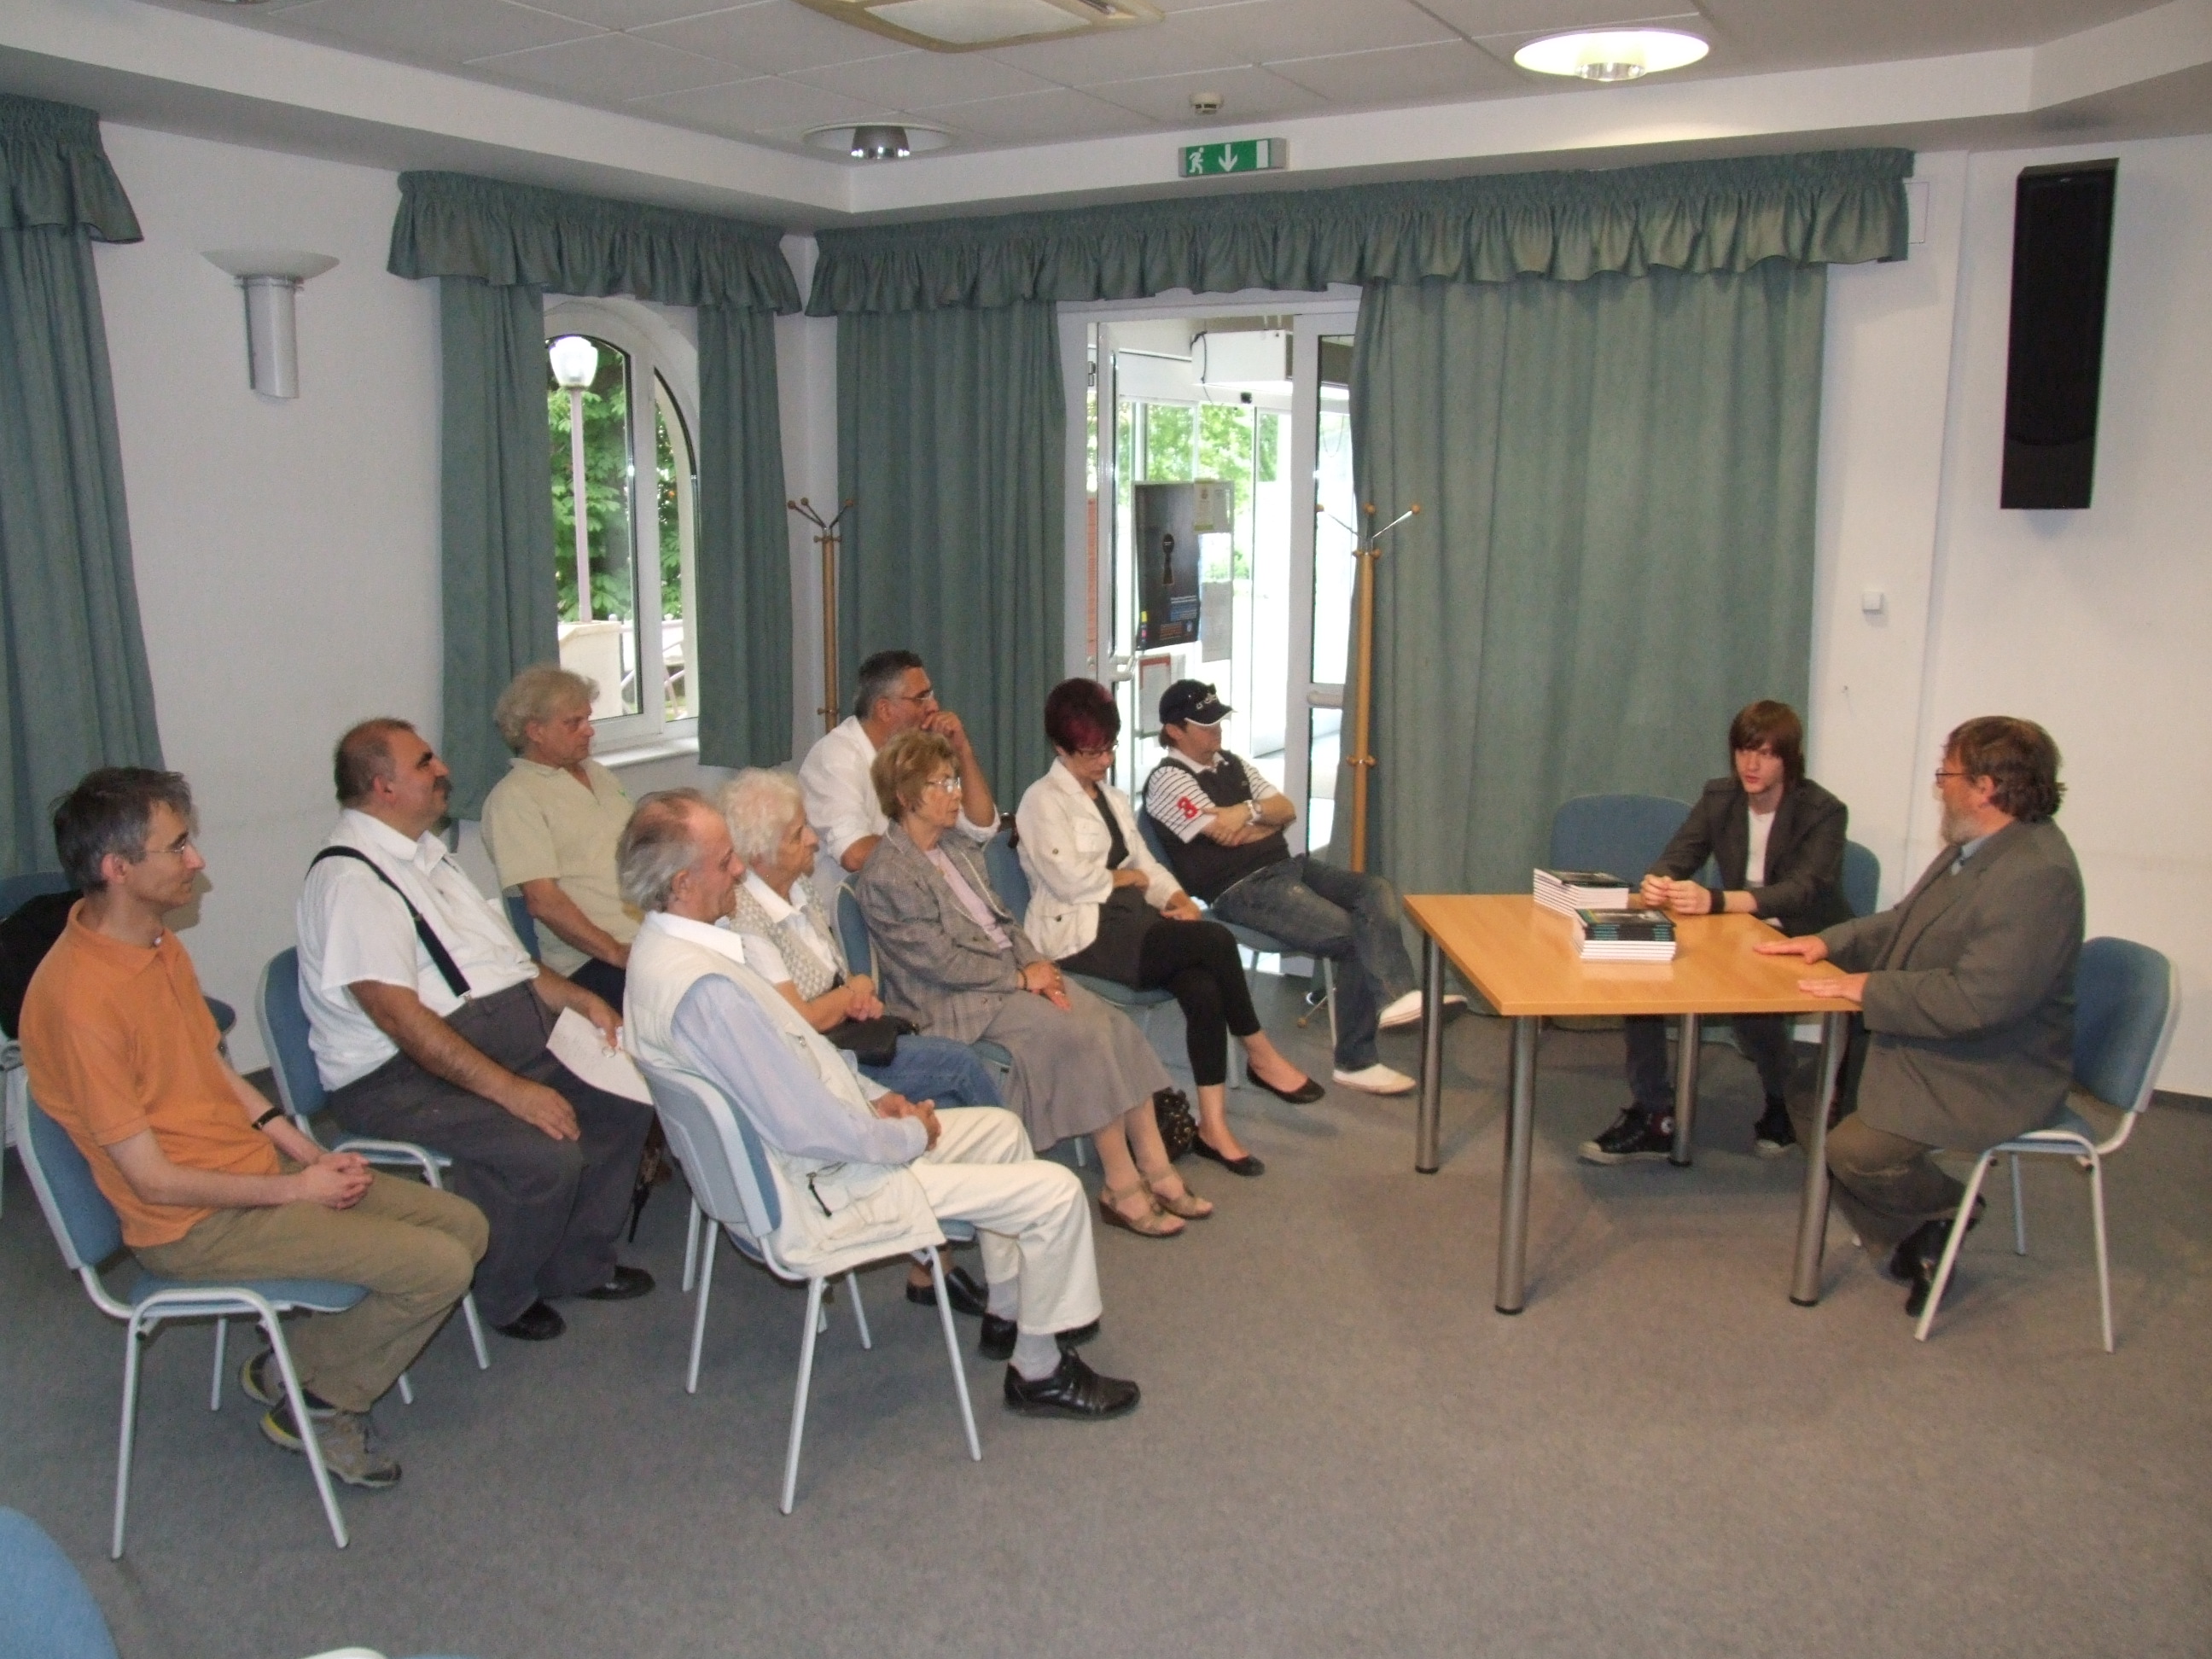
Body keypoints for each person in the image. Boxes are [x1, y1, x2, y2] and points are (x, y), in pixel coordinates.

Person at [21, 768, 486, 1489]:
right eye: (177, 847)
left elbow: (212, 1070)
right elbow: (153, 1181)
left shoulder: (153, 942)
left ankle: (290, 1363)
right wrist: (300, 1190)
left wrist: (305, 1151)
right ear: (118, 868)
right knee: (438, 1267)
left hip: (253, 1173)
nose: (197, 860)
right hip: (191, 1224)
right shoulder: (80, 1002)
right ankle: (320, 1404)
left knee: (465, 1226)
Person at [618, 790, 1139, 1419]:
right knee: (1055, 1194)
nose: (738, 870)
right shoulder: (709, 992)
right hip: (825, 1189)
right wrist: (909, 1136)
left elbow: (799, 1068)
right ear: (681, 884)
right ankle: (1040, 1370)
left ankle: (1005, 1311)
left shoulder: (663, 957)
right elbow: (805, 1128)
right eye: (726, 860)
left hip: (815, 1159)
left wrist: (878, 1097)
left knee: (1002, 1131)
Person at [297, 719, 655, 1343]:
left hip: (492, 1035)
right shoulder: (354, 883)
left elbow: (509, 965)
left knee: (624, 1096)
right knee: (544, 1153)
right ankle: (504, 1292)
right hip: (397, 1077)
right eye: (425, 763)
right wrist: (513, 1092)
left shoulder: (428, 856)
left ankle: (575, 1265)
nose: (443, 770)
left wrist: (581, 1001)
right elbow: (400, 1020)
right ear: (383, 786)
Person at [1758, 717, 2084, 1315]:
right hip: (1945, 1041)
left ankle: (1947, 1210)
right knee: (1807, 1093)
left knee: (1853, 1150)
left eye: (1947, 774)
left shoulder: (2038, 876)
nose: (1941, 787)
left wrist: (1869, 988)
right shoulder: (1976, 848)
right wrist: (1830, 942)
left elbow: (1978, 1001)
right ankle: (1919, 1235)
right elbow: (1902, 922)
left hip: (1997, 1068)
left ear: (1985, 788)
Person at [856, 731, 1212, 1238]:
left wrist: (1036, 966)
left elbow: (1003, 921)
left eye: (955, 780)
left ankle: (1157, 1169)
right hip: (952, 999)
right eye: (943, 784)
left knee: (1113, 1025)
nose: (957, 793)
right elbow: (939, 963)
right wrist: (1021, 978)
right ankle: (1121, 1184)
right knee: (1081, 1036)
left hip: (1009, 974)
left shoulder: (955, 847)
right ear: (907, 796)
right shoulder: (888, 873)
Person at [721, 765, 1007, 1318]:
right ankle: (987, 1224)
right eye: (798, 833)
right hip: (823, 1064)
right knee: (959, 1068)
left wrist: (856, 992)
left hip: (850, 1034)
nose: (813, 840)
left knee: (944, 1092)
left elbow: (839, 978)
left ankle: (937, 1256)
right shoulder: (745, 920)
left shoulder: (798, 888)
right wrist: (851, 993)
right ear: (760, 853)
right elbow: (800, 1018)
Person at [1016, 679, 1322, 1178]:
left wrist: (1177, 899)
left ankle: (1214, 1127)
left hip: (1128, 921)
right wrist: (1130, 879)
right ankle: (1260, 1053)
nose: (1105, 760)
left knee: (1202, 987)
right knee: (1216, 940)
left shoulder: (1111, 797)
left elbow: (1146, 864)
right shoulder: (1041, 801)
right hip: (1078, 935)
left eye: (1110, 748)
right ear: (1060, 748)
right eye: (1093, 753)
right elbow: (1070, 882)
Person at [1143, 678, 1457, 1097]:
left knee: (1374, 890)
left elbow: (1285, 811)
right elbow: (1222, 833)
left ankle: (1396, 998)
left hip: (1288, 867)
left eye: (1218, 719)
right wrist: (1262, 824)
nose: (1216, 729)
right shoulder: (1167, 781)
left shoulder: (1231, 763)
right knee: (1352, 935)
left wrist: (1248, 811)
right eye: (1205, 724)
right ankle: (1356, 1060)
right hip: (1241, 889)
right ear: (1174, 731)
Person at [1580, 700, 1852, 1166]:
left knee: (1753, 1008)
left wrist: (1717, 901)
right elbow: (1680, 854)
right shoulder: (1720, 797)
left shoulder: (1823, 811)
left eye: (1765, 754)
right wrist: (1659, 880)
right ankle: (1655, 1113)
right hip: (1737, 931)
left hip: (1804, 938)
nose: (1751, 764)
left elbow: (1802, 891)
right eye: (1744, 751)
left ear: (1789, 759)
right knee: (1643, 982)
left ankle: (1785, 1102)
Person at [480, 664, 637, 1005]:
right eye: (573, 723)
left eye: (588, 719)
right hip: (591, 960)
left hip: (645, 937)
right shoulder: (515, 798)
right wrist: (616, 952)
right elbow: (543, 902)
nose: (589, 731)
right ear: (535, 731)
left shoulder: (599, 775)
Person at [798, 649, 998, 876]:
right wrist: (927, 843)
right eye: (921, 698)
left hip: (911, 888)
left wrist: (962, 749)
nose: (933, 706)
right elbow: (854, 854)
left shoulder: (915, 754)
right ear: (884, 710)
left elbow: (981, 828)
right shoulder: (836, 757)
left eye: (931, 694)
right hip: (856, 895)